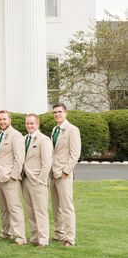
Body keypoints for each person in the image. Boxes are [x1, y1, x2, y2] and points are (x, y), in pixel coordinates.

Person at [0, 110, 26, 245]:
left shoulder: (16, 135)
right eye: (0, 119)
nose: (2, 122)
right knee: (3, 208)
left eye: (4, 119)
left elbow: (19, 158)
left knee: (14, 207)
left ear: (9, 120)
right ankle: (5, 232)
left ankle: (20, 237)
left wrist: (14, 175)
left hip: (10, 177)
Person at [50, 103, 82, 247]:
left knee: (67, 207)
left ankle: (69, 238)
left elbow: (75, 153)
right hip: (53, 173)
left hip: (64, 174)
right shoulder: (55, 130)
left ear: (66, 113)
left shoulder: (72, 130)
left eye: (60, 112)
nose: (57, 114)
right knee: (56, 206)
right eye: (55, 112)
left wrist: (66, 171)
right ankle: (59, 234)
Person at [22, 113, 52, 247]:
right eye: (27, 123)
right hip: (26, 180)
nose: (29, 126)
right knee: (30, 210)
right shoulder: (23, 139)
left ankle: (43, 239)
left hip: (37, 181)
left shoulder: (44, 140)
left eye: (32, 123)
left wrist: (41, 180)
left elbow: (47, 163)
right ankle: (34, 237)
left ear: (37, 124)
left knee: (40, 210)